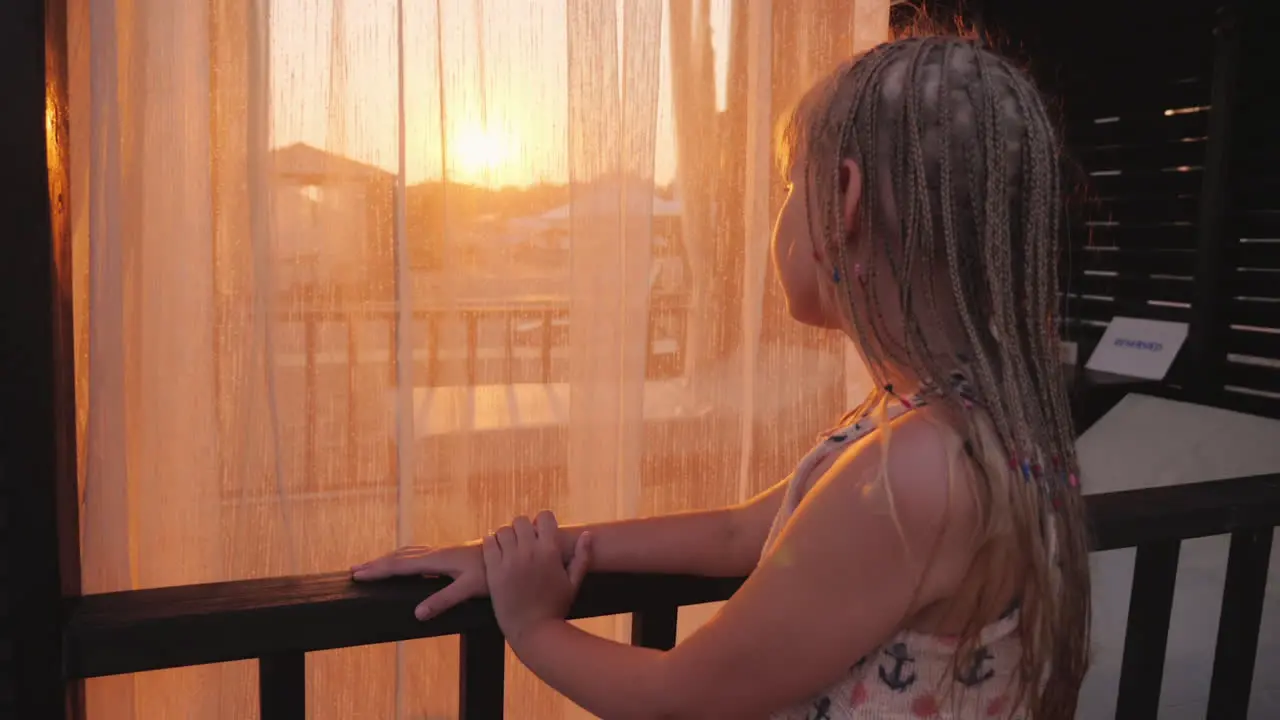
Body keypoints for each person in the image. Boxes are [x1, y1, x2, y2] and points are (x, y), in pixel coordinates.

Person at [353, 34, 1090, 720]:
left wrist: (533, 623)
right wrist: (528, 551)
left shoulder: (914, 471)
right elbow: (746, 530)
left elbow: (680, 695)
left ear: (844, 198)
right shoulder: (955, 420)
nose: (783, 214)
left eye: (786, 189)